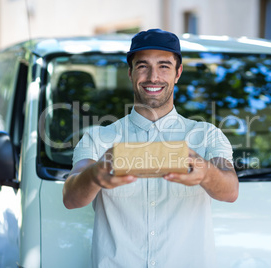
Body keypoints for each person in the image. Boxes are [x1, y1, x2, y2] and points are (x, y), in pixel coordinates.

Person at [63, 28, 239, 268]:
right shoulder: (99, 138)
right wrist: (94, 176)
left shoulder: (207, 135)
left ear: (178, 73)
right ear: (131, 72)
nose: (153, 77)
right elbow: (71, 198)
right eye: (143, 66)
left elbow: (230, 191)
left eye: (164, 66)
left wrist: (206, 172)